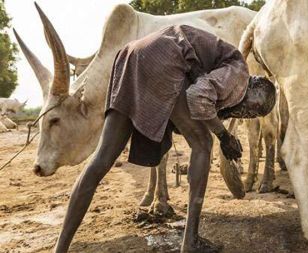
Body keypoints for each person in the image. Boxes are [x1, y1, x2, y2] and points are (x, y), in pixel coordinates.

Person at [53, 25, 276, 253]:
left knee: (101, 160)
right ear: (252, 94)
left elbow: (193, 101)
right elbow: (198, 96)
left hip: (131, 56)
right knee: (203, 144)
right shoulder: (239, 72)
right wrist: (223, 136)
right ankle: (190, 242)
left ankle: (60, 248)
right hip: (164, 56)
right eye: (252, 111)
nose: (246, 115)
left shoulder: (224, 70)